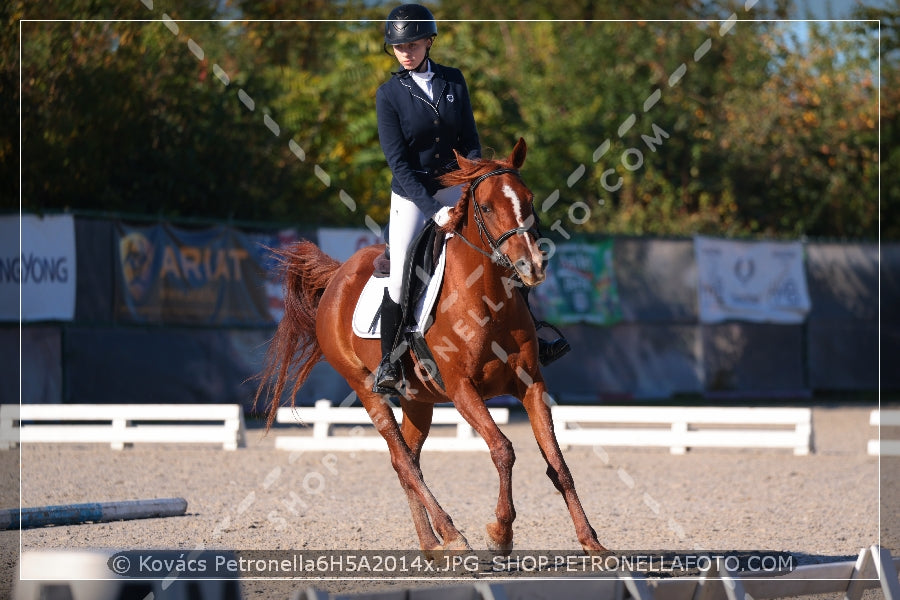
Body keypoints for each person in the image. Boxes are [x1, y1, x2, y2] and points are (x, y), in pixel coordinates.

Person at [373, 3, 569, 394]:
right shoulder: (389, 95)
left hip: (460, 186)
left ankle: (534, 337)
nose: (406, 51)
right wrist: (434, 210)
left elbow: (470, 142)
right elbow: (398, 164)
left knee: (506, 247)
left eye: (413, 43)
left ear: (428, 41)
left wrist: (478, 186)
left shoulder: (453, 81)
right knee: (398, 279)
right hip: (413, 196)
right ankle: (390, 364)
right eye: (399, 47)